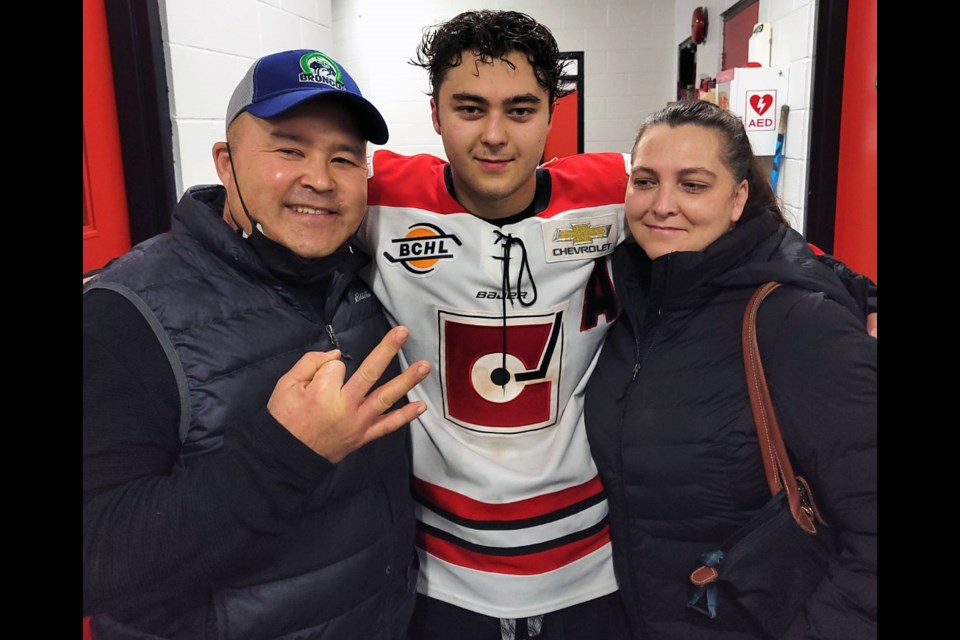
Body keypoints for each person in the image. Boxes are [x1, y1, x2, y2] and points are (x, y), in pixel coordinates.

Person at [358, 10, 876, 640]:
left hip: (595, 573)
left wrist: (862, 296)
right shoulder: (372, 197)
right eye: (470, 108)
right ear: (435, 113)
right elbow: (283, 211)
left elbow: (763, 242)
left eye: (520, 110)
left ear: (553, 114)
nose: (495, 135)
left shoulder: (617, 192)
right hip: (439, 575)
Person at [83, 50, 431, 640]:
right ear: (225, 162)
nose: (320, 179)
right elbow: (98, 562)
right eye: (289, 149)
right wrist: (284, 453)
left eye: (344, 158)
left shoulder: (363, 281)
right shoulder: (125, 313)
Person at [583, 100, 877, 639]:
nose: (662, 205)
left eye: (694, 185)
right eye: (645, 181)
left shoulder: (794, 321)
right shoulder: (636, 296)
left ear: (739, 196)